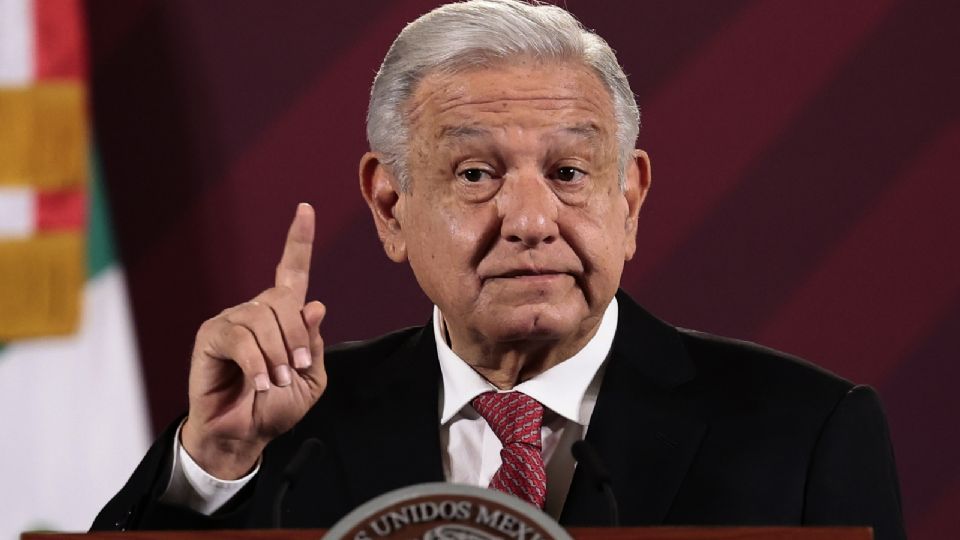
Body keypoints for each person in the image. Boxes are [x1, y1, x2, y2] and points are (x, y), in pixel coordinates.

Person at [92, 1, 906, 539]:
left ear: (630, 199)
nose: (529, 220)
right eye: (475, 174)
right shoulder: (290, 433)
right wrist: (213, 466)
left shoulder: (806, 435)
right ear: (389, 205)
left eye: (569, 173)